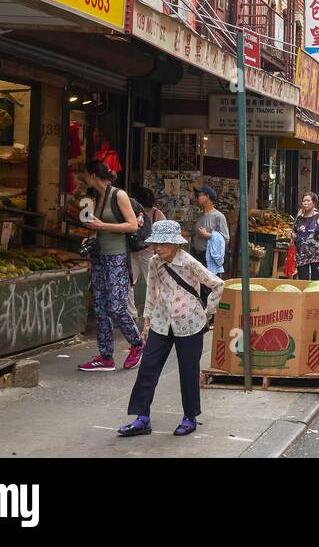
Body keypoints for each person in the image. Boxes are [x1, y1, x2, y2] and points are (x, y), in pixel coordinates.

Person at [117, 221, 224, 438]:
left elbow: (217, 284)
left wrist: (208, 313)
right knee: (148, 366)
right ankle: (142, 418)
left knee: (188, 371)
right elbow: (152, 291)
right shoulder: (155, 262)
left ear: (175, 244)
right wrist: (146, 321)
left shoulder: (188, 263)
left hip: (189, 323)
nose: (158, 248)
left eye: (163, 243)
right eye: (156, 243)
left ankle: (189, 417)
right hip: (161, 321)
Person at [79, 160, 145, 372]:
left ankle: (137, 344)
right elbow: (101, 229)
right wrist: (92, 235)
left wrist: (102, 225)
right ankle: (106, 356)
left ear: (92, 175)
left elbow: (132, 224)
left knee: (117, 306)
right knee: (100, 306)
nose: (83, 179)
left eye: (85, 175)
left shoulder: (119, 195)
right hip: (100, 257)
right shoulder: (97, 198)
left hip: (117, 257)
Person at [127, 187, 167, 323]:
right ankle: (137, 314)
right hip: (141, 253)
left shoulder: (136, 211)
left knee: (133, 283)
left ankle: (141, 313)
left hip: (145, 254)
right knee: (150, 284)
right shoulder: (156, 214)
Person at [190, 186, 229, 268]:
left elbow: (225, 240)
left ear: (207, 197)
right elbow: (194, 233)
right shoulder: (200, 216)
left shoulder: (219, 217)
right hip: (196, 256)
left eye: (199, 196)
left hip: (210, 257)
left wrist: (207, 235)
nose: (197, 198)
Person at [293, 192, 319, 281]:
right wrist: (290, 235)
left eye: (308, 200)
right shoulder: (299, 217)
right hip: (301, 254)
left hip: (316, 255)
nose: (305, 203)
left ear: (314, 203)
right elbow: (295, 233)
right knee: (303, 282)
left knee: (316, 282)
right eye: (304, 201)